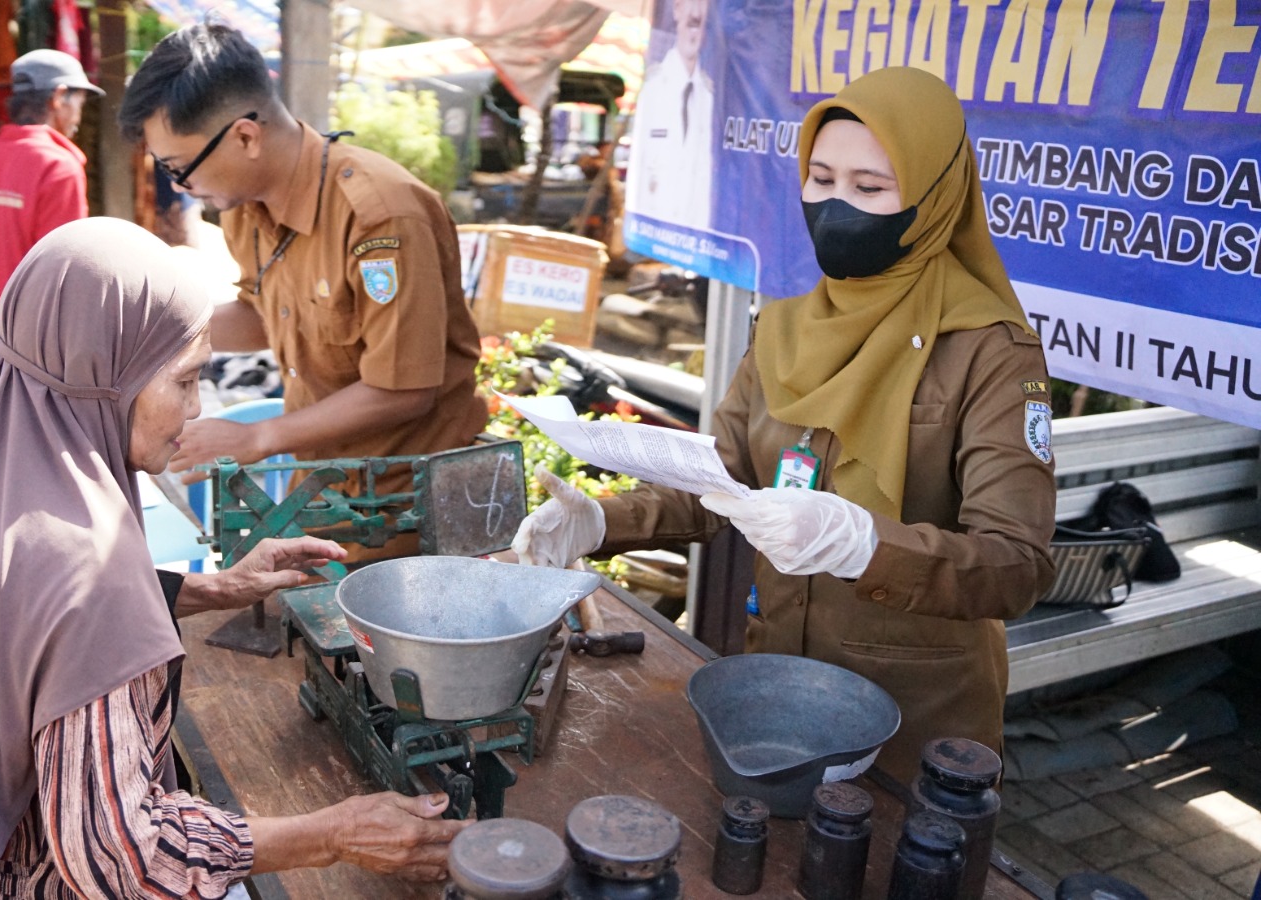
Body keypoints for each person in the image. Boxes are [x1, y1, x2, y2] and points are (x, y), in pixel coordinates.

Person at [0, 218, 464, 899]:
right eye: (185, 380)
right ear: (106, 378)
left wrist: (213, 589)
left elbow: (18, 611)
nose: (197, 408)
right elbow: (123, 857)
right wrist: (335, 833)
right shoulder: (88, 567)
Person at [514, 67, 1057, 785]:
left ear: (934, 196)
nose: (835, 206)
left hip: (914, 724)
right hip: (772, 697)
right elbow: (721, 480)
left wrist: (865, 543)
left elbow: (1017, 565)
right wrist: (599, 522)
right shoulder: (784, 327)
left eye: (869, 188)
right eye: (821, 179)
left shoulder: (989, 350)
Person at [119, 23, 488, 506]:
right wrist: (152, 333)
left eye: (177, 167)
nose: (177, 186)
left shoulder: (380, 217)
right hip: (320, 487)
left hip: (410, 503)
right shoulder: (244, 208)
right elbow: (265, 317)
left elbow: (404, 387)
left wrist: (258, 437)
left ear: (246, 137)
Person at [0, 49, 99, 335]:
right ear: (58, 97)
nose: (79, 113)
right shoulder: (59, 167)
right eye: (80, 100)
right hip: (36, 344)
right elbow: (64, 272)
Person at [625, 0, 714, 232]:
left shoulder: (711, 98)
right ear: (676, 9)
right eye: (690, 4)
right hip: (653, 235)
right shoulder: (652, 91)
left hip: (695, 238)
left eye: (704, 6)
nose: (696, 14)